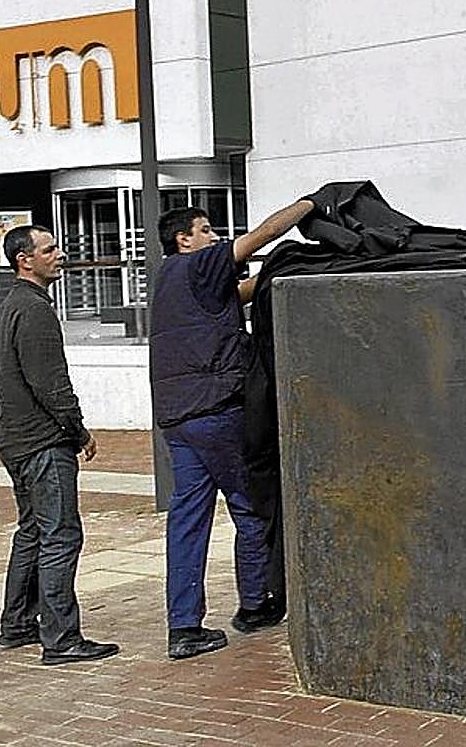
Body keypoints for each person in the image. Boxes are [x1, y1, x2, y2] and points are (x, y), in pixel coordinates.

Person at [150, 198, 314, 660]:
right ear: (184, 240)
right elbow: (263, 235)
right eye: (206, 230)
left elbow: (243, 292)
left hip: (178, 419)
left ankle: (183, 628)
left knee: (187, 520)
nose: (215, 237)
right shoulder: (197, 265)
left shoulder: (170, 279)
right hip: (216, 411)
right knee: (251, 505)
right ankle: (255, 603)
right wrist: (309, 204)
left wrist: (292, 267)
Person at [0, 225, 119, 664]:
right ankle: (62, 639)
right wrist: (78, 430)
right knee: (60, 535)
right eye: (49, 250)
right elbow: (51, 384)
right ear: (25, 260)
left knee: (32, 531)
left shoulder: (14, 305)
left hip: (15, 439)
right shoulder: (34, 310)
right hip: (41, 442)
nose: (59, 254)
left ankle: (18, 624)